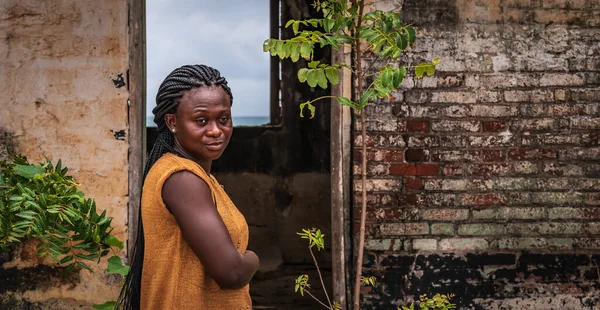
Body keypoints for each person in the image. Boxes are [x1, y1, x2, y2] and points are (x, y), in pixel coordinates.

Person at [117, 64, 260, 309]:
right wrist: (253, 259)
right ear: (172, 122)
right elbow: (232, 272)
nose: (216, 131)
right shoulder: (182, 179)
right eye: (201, 120)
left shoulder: (192, 175)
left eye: (223, 119)